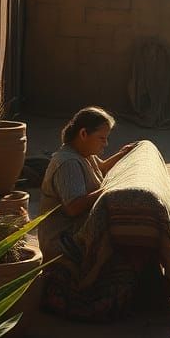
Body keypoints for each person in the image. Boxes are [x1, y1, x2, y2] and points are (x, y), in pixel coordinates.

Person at [38, 105, 136, 261]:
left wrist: (122, 155)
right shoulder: (68, 162)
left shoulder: (84, 154)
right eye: (101, 138)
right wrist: (110, 190)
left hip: (77, 229)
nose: (105, 144)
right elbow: (74, 207)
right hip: (63, 240)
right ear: (83, 134)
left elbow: (100, 170)